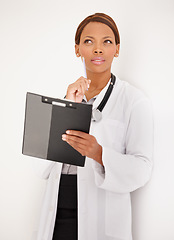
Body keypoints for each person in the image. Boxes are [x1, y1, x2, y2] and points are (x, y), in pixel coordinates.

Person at [34, 13, 153, 240]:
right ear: (77, 49)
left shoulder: (134, 101)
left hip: (101, 219)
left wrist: (99, 154)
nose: (98, 49)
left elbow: (142, 168)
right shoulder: (68, 98)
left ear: (117, 49)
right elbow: (41, 167)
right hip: (57, 214)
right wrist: (67, 107)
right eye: (88, 41)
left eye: (107, 42)